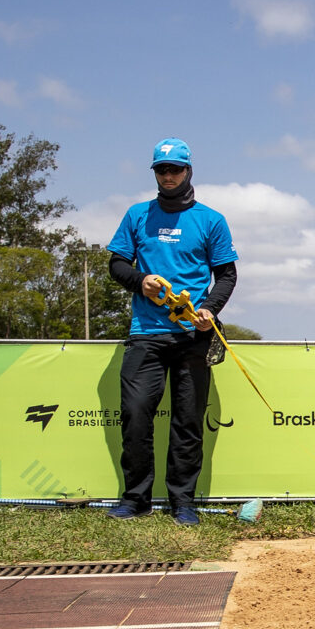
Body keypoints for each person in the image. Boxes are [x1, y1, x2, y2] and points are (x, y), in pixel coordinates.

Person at [106, 138, 237, 525]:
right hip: (145, 333)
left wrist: (209, 309)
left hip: (192, 337)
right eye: (161, 170)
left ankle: (183, 502)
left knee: (187, 421)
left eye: (174, 169)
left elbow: (227, 275)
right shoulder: (136, 215)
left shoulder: (211, 220)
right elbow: (116, 264)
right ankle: (136, 499)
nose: (167, 176)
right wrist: (140, 281)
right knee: (135, 414)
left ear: (188, 171)